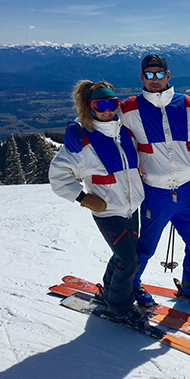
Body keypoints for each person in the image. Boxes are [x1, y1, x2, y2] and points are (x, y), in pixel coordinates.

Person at [64, 54, 190, 306]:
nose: (154, 80)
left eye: (159, 74)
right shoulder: (129, 108)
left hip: (186, 190)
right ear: (142, 77)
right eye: (149, 75)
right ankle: (132, 285)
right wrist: (75, 125)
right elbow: (103, 117)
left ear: (168, 76)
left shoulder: (189, 106)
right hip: (155, 193)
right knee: (144, 248)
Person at [49, 80, 147, 326]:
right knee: (128, 261)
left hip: (130, 208)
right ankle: (120, 308)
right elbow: (58, 174)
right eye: (99, 104)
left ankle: (108, 292)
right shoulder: (83, 141)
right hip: (107, 212)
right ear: (90, 107)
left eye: (111, 103)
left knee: (123, 256)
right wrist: (83, 198)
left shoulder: (125, 132)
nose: (106, 110)